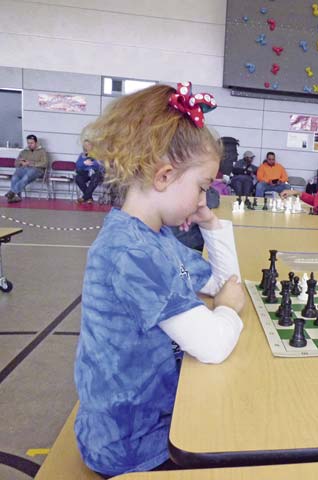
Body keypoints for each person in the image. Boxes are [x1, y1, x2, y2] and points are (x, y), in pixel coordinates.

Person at [74, 83, 245, 477]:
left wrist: (211, 223)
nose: (204, 201)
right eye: (202, 189)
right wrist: (227, 311)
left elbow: (222, 281)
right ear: (165, 176)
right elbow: (214, 344)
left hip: (151, 416)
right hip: (131, 445)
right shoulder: (131, 252)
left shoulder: (153, 235)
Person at [5, 134, 48, 203]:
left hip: (37, 170)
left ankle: (12, 192)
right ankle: (15, 197)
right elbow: (15, 163)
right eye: (28, 143)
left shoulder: (42, 151)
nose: (29, 145)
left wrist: (30, 163)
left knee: (26, 176)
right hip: (24, 168)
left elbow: (45, 163)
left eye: (31, 143)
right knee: (15, 177)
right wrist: (20, 162)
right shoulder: (24, 151)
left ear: (36, 143)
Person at [75, 139, 104, 204]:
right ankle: (89, 197)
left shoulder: (99, 154)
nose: (87, 146)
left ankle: (84, 198)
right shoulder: (82, 155)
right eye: (85, 145)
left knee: (95, 177)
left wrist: (92, 163)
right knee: (78, 178)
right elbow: (77, 165)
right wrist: (84, 163)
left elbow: (102, 165)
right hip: (86, 173)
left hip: (96, 172)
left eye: (88, 144)